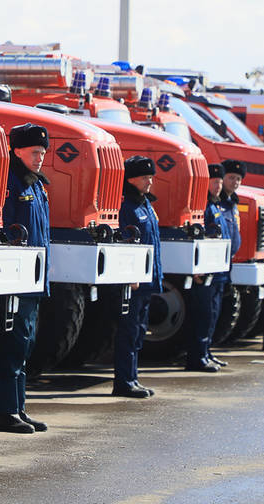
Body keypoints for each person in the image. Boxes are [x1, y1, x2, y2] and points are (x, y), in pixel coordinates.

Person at [0, 123, 51, 433]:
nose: (40, 157)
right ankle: (6, 412)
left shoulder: (36, 185)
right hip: (18, 278)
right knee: (13, 346)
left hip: (34, 278)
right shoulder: (12, 183)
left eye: (42, 152)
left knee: (25, 345)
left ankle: (19, 408)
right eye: (34, 152)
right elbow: (8, 231)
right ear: (17, 151)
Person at [114, 155, 162, 397]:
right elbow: (126, 245)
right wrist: (131, 275)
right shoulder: (127, 207)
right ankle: (124, 381)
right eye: (145, 177)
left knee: (139, 331)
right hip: (134, 283)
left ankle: (132, 377)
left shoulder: (145, 205)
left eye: (151, 177)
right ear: (131, 179)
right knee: (129, 331)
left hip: (147, 280)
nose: (149, 182)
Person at [185, 164, 229, 372]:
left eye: (220, 182)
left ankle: (206, 351)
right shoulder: (203, 207)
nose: (218, 186)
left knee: (212, 314)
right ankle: (197, 356)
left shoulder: (216, 206)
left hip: (218, 271)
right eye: (214, 182)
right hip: (206, 271)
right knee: (202, 315)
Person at [212, 159, 246, 366]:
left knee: (218, 309)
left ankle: (207, 351)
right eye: (231, 177)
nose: (235, 182)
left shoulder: (233, 203)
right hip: (216, 263)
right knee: (210, 310)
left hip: (227, 262)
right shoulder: (217, 203)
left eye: (238, 179)